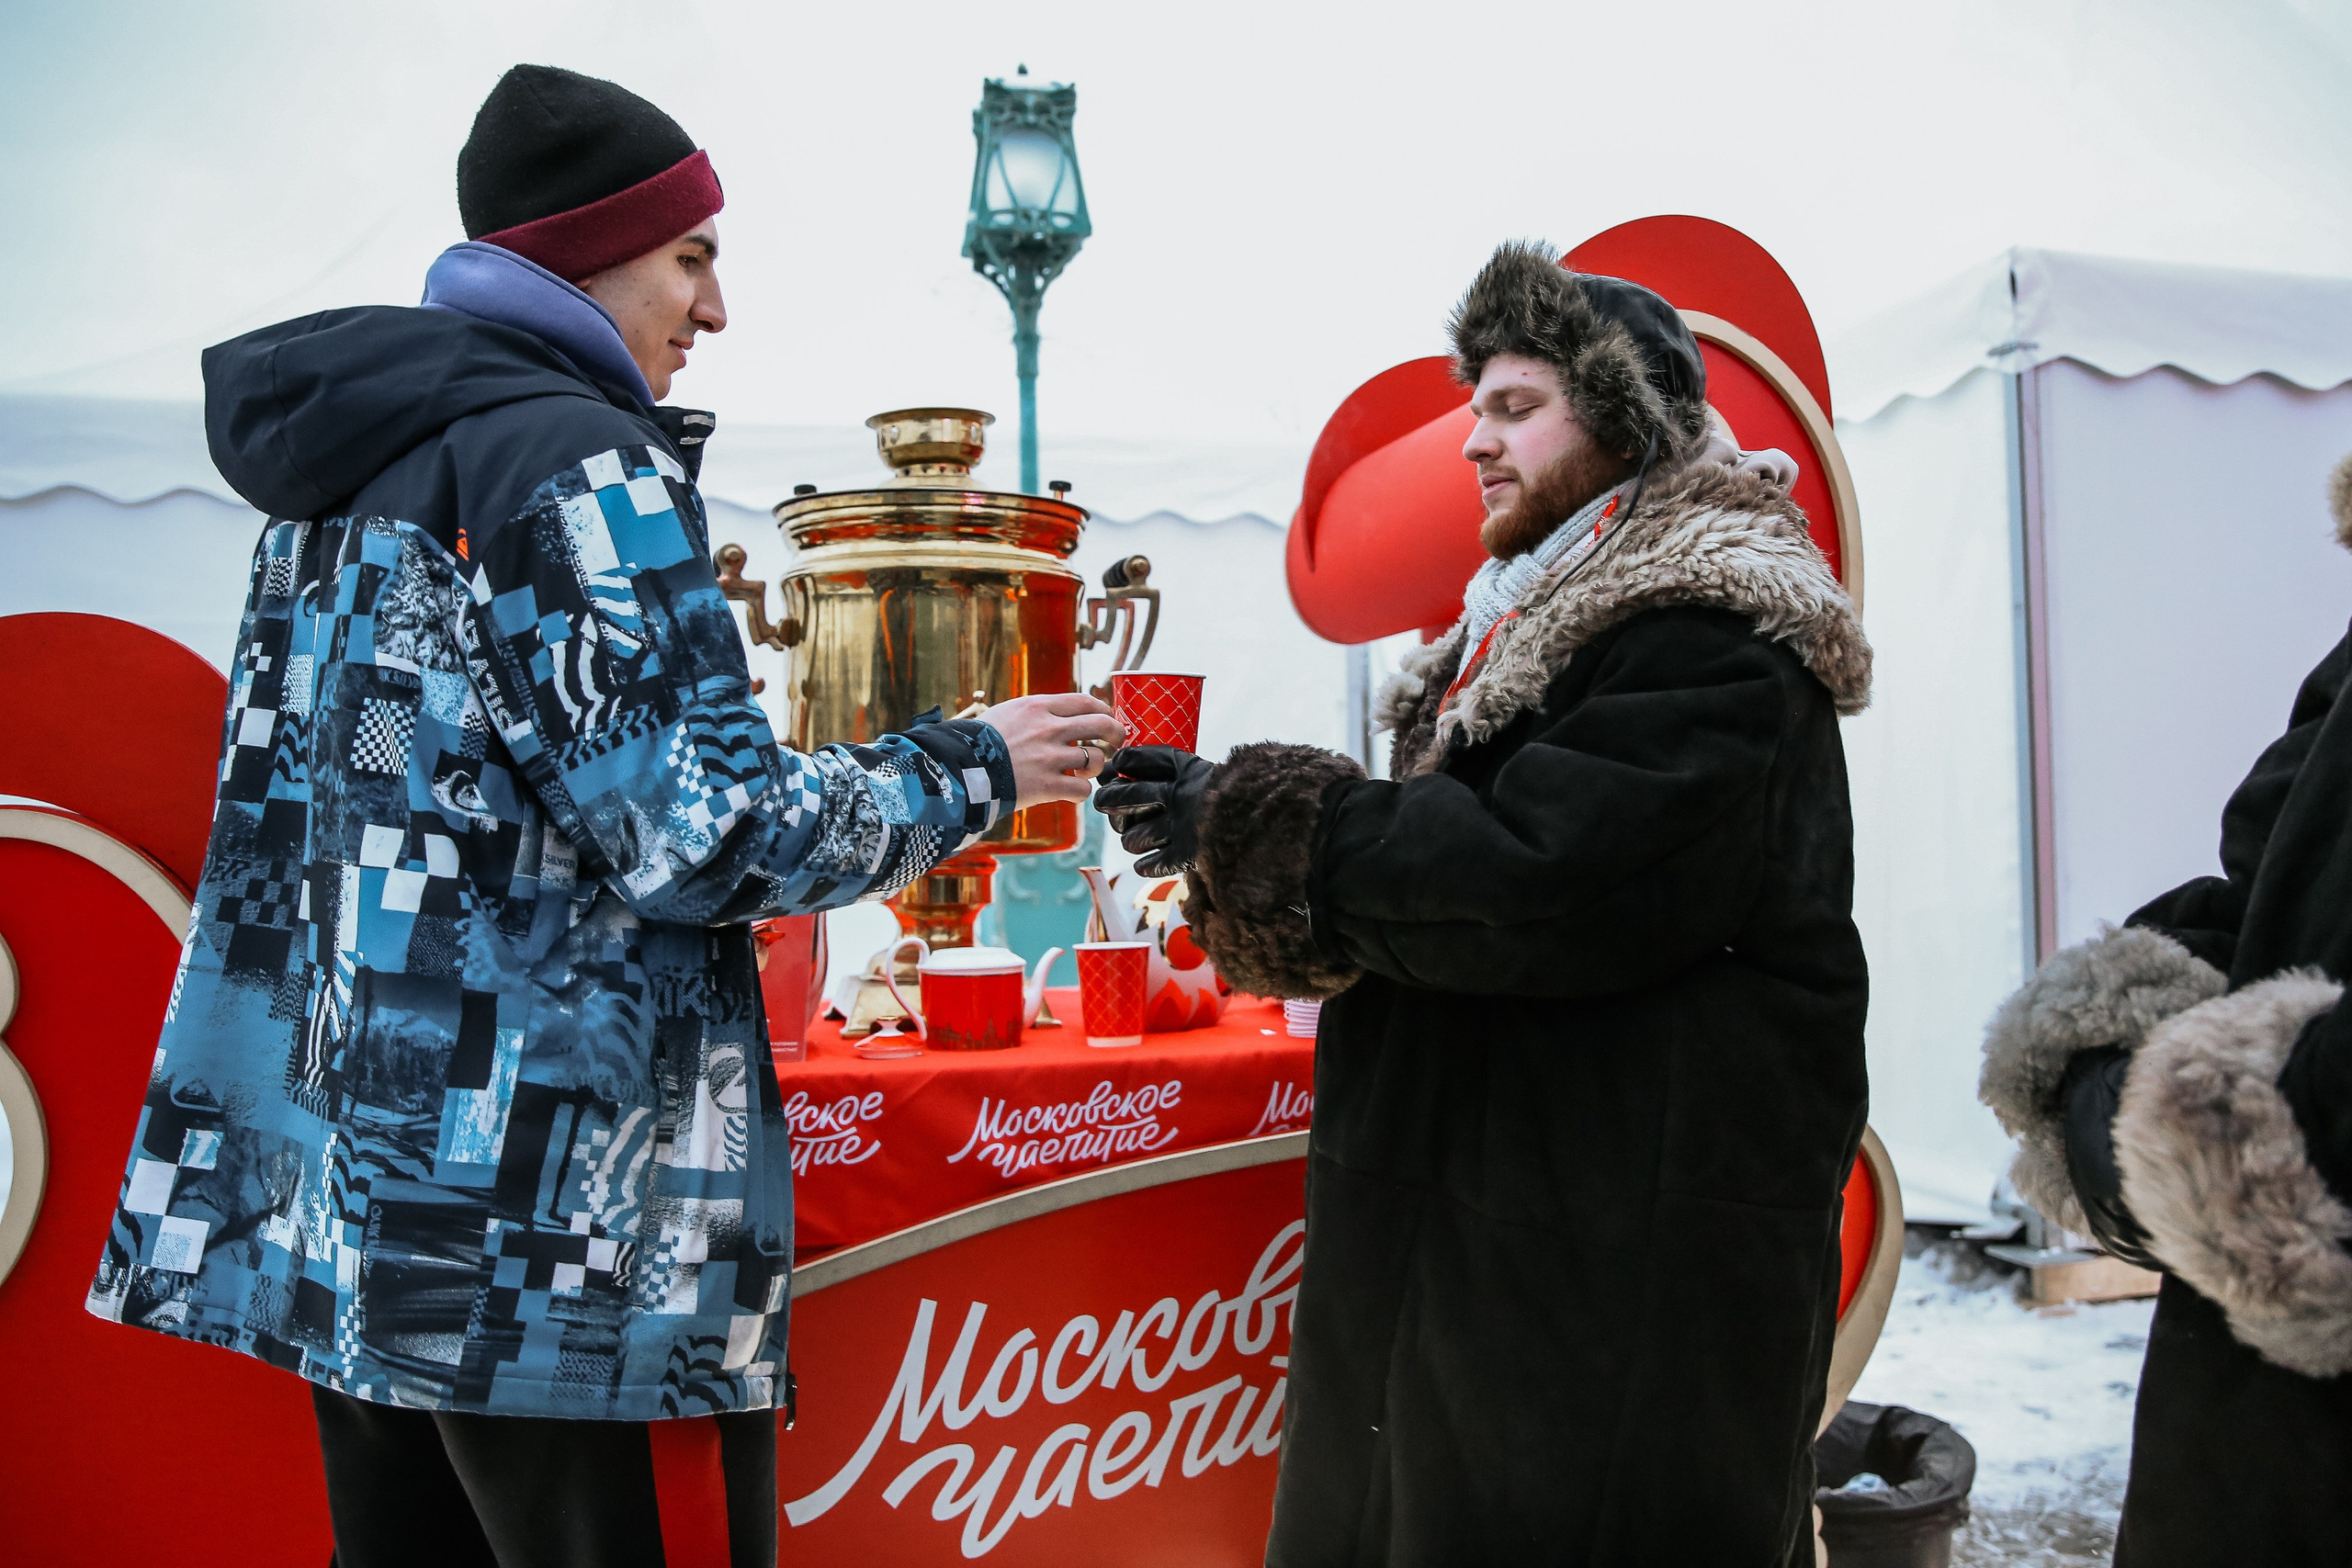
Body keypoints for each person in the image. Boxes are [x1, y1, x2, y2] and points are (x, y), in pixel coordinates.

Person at [83, 64, 1122, 1568]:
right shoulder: (574, 457)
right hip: (551, 1237)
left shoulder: (333, 476)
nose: (716, 310)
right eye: (693, 258)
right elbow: (703, 835)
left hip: (347, 1202)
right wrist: (975, 765)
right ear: (584, 258)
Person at [1100, 241, 1873, 1565]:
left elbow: (1540, 870)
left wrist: (1262, 819)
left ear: (1623, 419)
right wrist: (1255, 826)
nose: (1474, 441)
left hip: (1619, 1267)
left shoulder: (1710, 632)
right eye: (1477, 406)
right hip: (1521, 1240)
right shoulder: (1539, 620)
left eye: (1515, 406)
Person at [1979, 453, 2352, 1567]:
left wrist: (2179, 1120)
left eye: (1518, 407)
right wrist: (2107, 1034)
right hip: (2248, 1422)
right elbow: (2262, 877)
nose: (1478, 444)